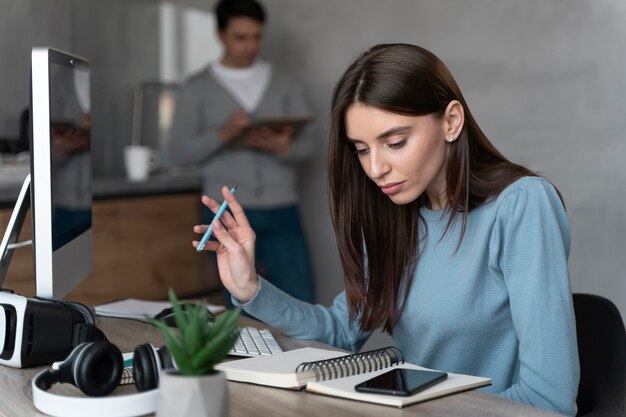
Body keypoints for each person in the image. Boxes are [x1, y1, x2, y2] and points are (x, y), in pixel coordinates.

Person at [194, 44, 580, 416]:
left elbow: (548, 398)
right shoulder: (394, 217)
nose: (375, 168)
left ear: (451, 121)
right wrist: (250, 290)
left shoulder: (521, 205)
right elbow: (340, 331)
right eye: (361, 149)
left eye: (394, 142)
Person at [169, 0, 316, 303]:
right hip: (226, 212)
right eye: (240, 37)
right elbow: (175, 153)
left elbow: (311, 146)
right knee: (241, 305)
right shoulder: (195, 88)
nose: (250, 46)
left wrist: (284, 147)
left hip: (282, 208)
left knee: (301, 298)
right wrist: (222, 134)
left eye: (256, 37)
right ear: (220, 35)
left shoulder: (286, 83)